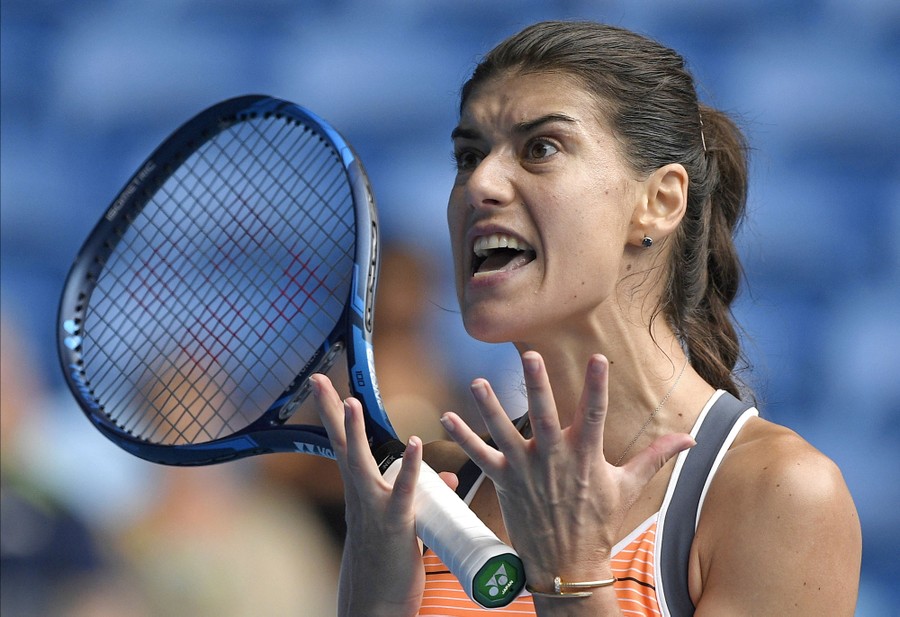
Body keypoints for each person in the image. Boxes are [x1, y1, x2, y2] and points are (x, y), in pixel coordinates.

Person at [311, 20, 862, 616]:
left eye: (541, 148)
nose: (480, 184)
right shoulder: (436, 488)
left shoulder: (778, 493)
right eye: (469, 156)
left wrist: (571, 574)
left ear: (659, 201)